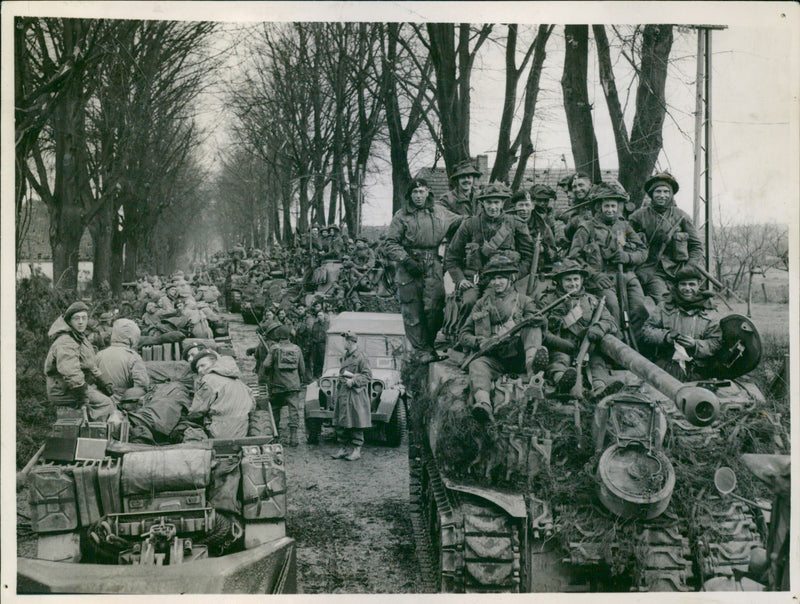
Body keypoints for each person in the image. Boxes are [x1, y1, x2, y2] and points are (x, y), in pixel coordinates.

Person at [459, 256, 550, 423]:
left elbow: (539, 323)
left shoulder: (524, 301)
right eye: (493, 278)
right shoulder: (481, 304)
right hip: (495, 357)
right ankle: (484, 403)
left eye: (501, 278)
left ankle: (533, 376)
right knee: (477, 365)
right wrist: (479, 342)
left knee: (533, 326)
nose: (496, 282)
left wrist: (536, 320)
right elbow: (464, 334)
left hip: (520, 356)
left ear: (511, 279)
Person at [384, 178, 461, 363]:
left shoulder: (440, 212)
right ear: (410, 195)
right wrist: (406, 260)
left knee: (435, 307)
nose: (418, 196)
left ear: (428, 192)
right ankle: (421, 350)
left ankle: (430, 343)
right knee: (413, 310)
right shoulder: (401, 216)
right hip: (409, 266)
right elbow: (390, 243)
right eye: (415, 193)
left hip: (433, 264)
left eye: (422, 192)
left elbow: (461, 223)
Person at [445, 182, 535, 334]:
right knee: (469, 302)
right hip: (475, 280)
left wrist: (516, 275)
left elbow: (528, 256)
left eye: (496, 202)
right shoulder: (469, 225)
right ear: (482, 203)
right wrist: (460, 280)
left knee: (504, 306)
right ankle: (462, 338)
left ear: (502, 203)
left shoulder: (515, 224)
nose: (493, 207)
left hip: (505, 279)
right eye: (489, 202)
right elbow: (452, 257)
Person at [568, 181, 648, 336]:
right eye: (606, 206)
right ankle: (614, 344)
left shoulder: (623, 226)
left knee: (640, 307)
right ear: (599, 207)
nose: (610, 210)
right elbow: (574, 259)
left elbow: (642, 251)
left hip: (626, 276)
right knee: (612, 308)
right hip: (601, 278)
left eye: (613, 206)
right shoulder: (586, 228)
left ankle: (636, 345)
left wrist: (628, 257)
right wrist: (594, 274)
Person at [540, 260, 619, 393]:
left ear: (582, 280)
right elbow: (542, 329)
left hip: (588, 347)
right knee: (559, 362)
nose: (573, 284)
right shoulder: (548, 301)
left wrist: (599, 328)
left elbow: (610, 322)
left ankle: (600, 390)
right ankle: (562, 382)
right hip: (561, 346)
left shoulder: (593, 301)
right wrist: (560, 343)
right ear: (559, 281)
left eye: (576, 279)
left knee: (597, 364)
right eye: (568, 280)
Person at [630, 172, 705, 304]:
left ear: (671, 195)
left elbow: (696, 246)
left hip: (678, 270)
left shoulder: (681, 216)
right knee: (664, 302)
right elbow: (624, 241)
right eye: (658, 191)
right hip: (651, 270)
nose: (662, 195)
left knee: (694, 302)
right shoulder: (638, 217)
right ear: (651, 194)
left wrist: (689, 268)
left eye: (666, 192)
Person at [640, 265, 722, 380]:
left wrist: (695, 345)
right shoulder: (664, 307)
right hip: (666, 368)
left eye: (692, 284)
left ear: (699, 285)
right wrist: (666, 337)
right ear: (677, 285)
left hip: (698, 372)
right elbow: (646, 331)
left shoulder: (709, 311)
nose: (687, 288)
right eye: (683, 284)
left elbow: (716, 343)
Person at [44, 301, 120, 421]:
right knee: (106, 403)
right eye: (76, 318)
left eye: (84, 318)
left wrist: (104, 383)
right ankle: (95, 433)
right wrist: (83, 395)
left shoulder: (80, 337)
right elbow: (71, 372)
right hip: (63, 390)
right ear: (69, 321)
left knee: (109, 397)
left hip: (75, 386)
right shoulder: (66, 341)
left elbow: (90, 365)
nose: (81, 322)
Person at [184, 349, 255, 440]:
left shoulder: (209, 380)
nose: (200, 370)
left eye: (202, 365)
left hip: (218, 433)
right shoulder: (240, 382)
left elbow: (197, 410)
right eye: (198, 368)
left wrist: (188, 417)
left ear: (215, 363)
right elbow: (252, 405)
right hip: (242, 431)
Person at [259, 325, 305, 446]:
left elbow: (266, 364)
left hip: (278, 385)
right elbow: (302, 369)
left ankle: (275, 436)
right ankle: (294, 438)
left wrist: (268, 376)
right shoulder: (297, 349)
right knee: (293, 411)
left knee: (275, 409)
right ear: (290, 336)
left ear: (278, 336)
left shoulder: (274, 348)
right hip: (293, 386)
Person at [331, 331, 372, 461]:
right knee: (341, 422)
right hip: (343, 393)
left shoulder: (361, 357)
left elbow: (368, 376)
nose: (344, 343)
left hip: (355, 395)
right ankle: (343, 448)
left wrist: (354, 381)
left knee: (356, 422)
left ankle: (356, 450)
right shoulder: (346, 356)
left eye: (345, 341)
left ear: (351, 342)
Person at [96, 318, 151, 400]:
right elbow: (142, 385)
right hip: (124, 401)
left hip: (102, 399)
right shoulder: (133, 357)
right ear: (133, 336)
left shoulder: (99, 355)